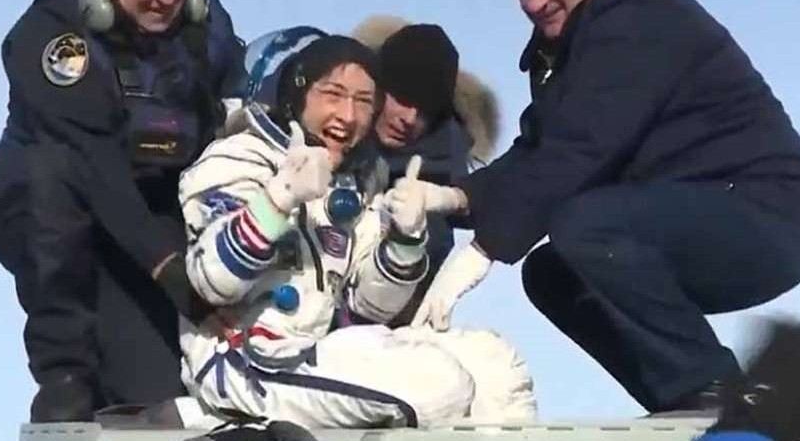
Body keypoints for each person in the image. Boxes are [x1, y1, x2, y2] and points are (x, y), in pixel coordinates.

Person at [405, 0, 800, 414]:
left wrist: (484, 250)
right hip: (691, 207)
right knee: (552, 274)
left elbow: (580, 150)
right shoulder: (576, 37)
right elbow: (541, 150)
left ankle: (709, 381)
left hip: (768, 212)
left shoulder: (638, 21)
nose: (533, 2)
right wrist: (455, 197)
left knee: (586, 226)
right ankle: (683, 399)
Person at [175, 29, 536, 429]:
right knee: (439, 385)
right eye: (333, 94)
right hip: (246, 358)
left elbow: (371, 307)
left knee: (495, 367)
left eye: (363, 101)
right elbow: (212, 281)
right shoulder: (241, 156)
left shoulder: (358, 179)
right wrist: (278, 200)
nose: (347, 116)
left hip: (320, 346)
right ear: (298, 93)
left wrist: (405, 238)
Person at [0, 0, 244, 422]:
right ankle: (64, 383)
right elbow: (92, 164)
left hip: (156, 210)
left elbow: (239, 124)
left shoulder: (208, 29)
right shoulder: (52, 33)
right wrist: (170, 273)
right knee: (49, 172)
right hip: (60, 213)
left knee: (151, 394)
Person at [349, 16, 500, 327]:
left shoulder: (438, 183)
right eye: (402, 98)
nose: (409, 118)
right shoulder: (323, 123)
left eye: (426, 110)